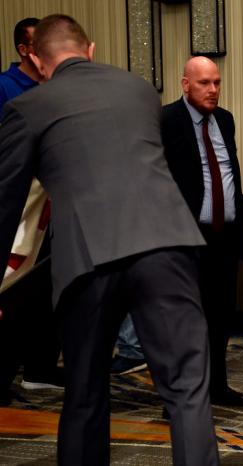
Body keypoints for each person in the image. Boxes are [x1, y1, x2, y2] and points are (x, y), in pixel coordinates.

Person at [0, 15, 219, 466]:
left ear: (38, 61)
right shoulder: (139, 89)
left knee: (85, 392)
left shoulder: (28, 107)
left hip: (88, 257)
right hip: (166, 245)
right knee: (187, 390)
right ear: (92, 49)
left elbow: (6, 202)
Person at [161, 56, 243, 407]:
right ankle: (179, 398)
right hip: (185, 237)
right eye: (204, 83)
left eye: (216, 83)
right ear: (185, 84)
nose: (213, 90)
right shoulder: (166, 120)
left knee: (220, 317)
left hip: (224, 236)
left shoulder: (224, 120)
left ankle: (217, 388)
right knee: (182, 323)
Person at [0, 17, 63, 404]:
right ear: (25, 51)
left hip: (54, 208)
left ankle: (40, 367)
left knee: (45, 293)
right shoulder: (6, 88)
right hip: (19, 206)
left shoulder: (54, 87)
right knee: (10, 289)